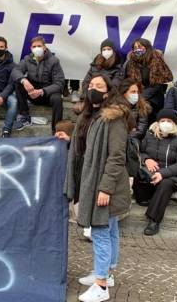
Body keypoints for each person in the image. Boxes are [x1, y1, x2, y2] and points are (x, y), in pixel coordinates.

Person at [69, 76, 131, 302]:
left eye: (98, 86)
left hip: (106, 185)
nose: (92, 89)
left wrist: (105, 188)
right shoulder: (88, 114)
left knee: (100, 231)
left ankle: (101, 286)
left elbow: (116, 157)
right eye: (90, 85)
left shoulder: (114, 119)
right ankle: (106, 273)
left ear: (107, 93)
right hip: (93, 180)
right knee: (111, 230)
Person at [135, 109, 177, 235]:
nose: (165, 123)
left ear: (174, 124)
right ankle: (149, 199)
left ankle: (154, 220)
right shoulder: (150, 135)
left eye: (169, 121)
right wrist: (147, 159)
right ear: (158, 122)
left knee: (165, 184)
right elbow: (141, 151)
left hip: (173, 177)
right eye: (162, 121)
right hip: (151, 173)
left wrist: (162, 174)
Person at [11, 36, 65, 134]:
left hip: (47, 93)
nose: (37, 48)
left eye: (39, 46)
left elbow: (59, 83)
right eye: (34, 46)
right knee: (18, 83)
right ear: (31, 49)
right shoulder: (28, 59)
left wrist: (42, 91)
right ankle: (24, 116)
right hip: (32, 92)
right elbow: (16, 71)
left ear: (44, 47)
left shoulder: (54, 61)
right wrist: (24, 80)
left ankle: (56, 130)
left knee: (58, 99)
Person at [122, 38, 173, 118]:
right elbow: (127, 81)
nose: (137, 49)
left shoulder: (156, 60)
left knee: (145, 108)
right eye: (135, 48)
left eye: (140, 46)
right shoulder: (130, 62)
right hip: (135, 93)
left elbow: (157, 84)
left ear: (147, 47)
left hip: (153, 97)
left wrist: (141, 97)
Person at [76, 39, 123, 113]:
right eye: (104, 49)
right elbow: (86, 82)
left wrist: (104, 95)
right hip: (90, 98)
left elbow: (115, 86)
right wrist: (86, 96)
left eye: (109, 49)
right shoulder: (95, 64)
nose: (106, 51)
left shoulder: (118, 67)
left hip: (106, 99)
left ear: (113, 51)